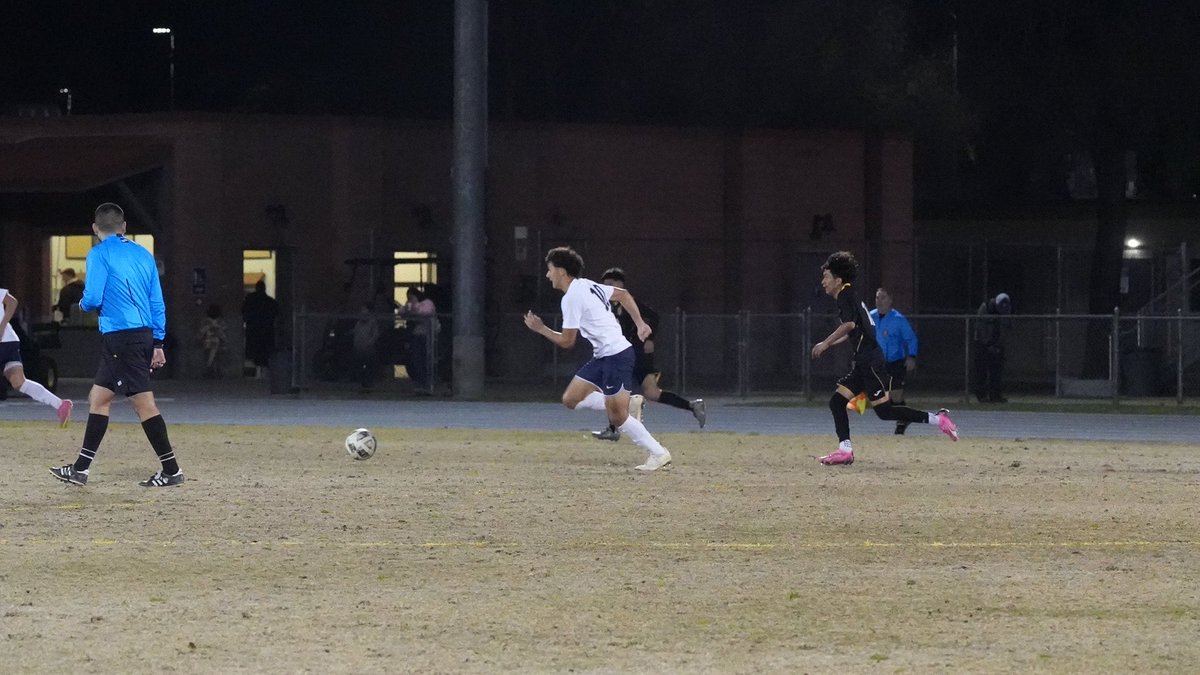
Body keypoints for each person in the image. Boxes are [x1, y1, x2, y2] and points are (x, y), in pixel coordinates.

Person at [50, 203, 184, 487]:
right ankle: (80, 469)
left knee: (143, 403)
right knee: (98, 399)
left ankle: (172, 471)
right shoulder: (143, 254)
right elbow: (157, 302)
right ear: (123, 227)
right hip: (142, 334)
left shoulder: (99, 253)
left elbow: (93, 297)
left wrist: (83, 303)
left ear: (95, 229)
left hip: (120, 336)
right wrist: (158, 341)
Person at [524, 246, 672, 471]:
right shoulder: (587, 284)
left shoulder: (572, 297)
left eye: (550, 269)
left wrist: (541, 329)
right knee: (570, 399)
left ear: (562, 272)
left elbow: (567, 342)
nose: (548, 275)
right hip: (603, 356)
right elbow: (622, 295)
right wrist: (640, 323)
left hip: (617, 355)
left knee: (617, 417)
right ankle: (629, 402)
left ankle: (658, 453)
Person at [810, 251, 958, 466]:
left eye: (826, 277)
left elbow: (849, 325)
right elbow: (855, 329)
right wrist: (828, 344)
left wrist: (824, 343)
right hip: (864, 362)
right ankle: (845, 450)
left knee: (885, 411)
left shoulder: (844, 295)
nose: (823, 282)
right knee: (837, 402)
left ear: (838, 280)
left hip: (870, 362)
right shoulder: (850, 295)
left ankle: (939, 419)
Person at [590, 267, 705, 442]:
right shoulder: (611, 306)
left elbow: (653, 316)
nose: (607, 288)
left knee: (613, 387)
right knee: (652, 393)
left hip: (634, 353)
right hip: (635, 355)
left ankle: (613, 429)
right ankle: (692, 406)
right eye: (604, 285)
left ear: (620, 284)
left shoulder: (629, 302)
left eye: (610, 284)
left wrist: (650, 338)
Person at [846, 287, 919, 434]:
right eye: (877, 298)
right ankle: (858, 408)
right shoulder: (870, 317)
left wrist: (911, 356)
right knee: (874, 392)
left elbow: (911, 339)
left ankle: (904, 418)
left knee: (896, 395)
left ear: (890, 300)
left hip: (895, 362)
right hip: (875, 362)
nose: (879, 301)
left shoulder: (898, 320)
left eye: (883, 298)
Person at [0, 288, 73, 426]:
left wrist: (2, 325)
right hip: (10, 341)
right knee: (19, 382)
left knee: (18, 382)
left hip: (5, 341)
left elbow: (12, 302)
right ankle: (60, 405)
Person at [973, 292, 1012, 403]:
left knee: (997, 371)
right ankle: (981, 396)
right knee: (981, 370)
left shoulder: (1006, 310)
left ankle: (996, 395)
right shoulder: (985, 308)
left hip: (997, 343)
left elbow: (1005, 328)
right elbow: (980, 329)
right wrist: (987, 344)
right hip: (982, 344)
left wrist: (999, 344)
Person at [401, 287, 437, 392]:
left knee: (425, 359)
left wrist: (413, 306)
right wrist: (408, 307)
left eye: (411, 297)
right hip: (415, 335)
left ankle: (426, 383)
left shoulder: (427, 303)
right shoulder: (410, 305)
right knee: (415, 359)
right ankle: (418, 382)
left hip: (426, 335)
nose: (410, 300)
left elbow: (425, 312)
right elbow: (402, 311)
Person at [242, 279, 278, 378]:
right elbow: (276, 314)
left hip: (253, 330)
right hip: (267, 330)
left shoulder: (249, 299)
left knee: (255, 351)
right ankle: (264, 373)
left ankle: (257, 372)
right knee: (265, 351)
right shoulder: (271, 301)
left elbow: (243, 312)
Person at [198, 303, 227, 378]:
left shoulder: (206, 321)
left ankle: (211, 371)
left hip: (210, 343)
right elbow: (223, 333)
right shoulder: (219, 321)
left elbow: (202, 332)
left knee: (211, 359)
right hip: (214, 343)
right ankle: (213, 372)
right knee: (215, 359)